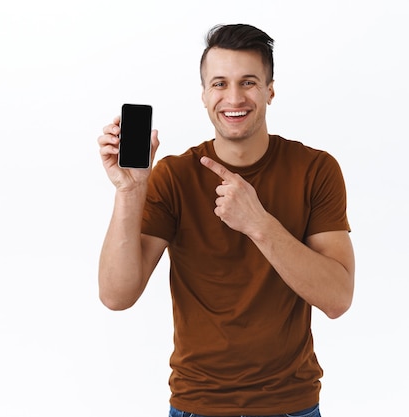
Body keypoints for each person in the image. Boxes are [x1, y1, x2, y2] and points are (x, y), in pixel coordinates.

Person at [96, 23, 355, 417]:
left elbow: (338, 299)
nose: (234, 97)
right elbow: (117, 295)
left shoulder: (315, 170)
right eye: (219, 83)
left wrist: (259, 224)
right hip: (197, 405)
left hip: (291, 405)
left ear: (270, 89)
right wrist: (130, 191)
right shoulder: (173, 176)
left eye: (248, 82)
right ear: (203, 94)